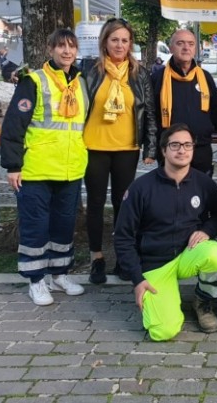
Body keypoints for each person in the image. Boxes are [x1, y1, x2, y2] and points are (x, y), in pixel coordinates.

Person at [0, 29, 89, 307]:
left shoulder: (80, 82)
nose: (66, 51)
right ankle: (36, 280)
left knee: (64, 225)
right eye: (60, 46)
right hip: (36, 169)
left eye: (71, 47)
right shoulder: (33, 81)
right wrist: (13, 166)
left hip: (70, 169)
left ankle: (59, 273)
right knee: (36, 227)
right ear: (50, 49)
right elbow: (14, 124)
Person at [113, 124, 217, 341]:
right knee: (162, 332)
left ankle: (203, 302)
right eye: (175, 145)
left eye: (187, 145)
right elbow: (123, 237)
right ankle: (165, 297)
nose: (181, 150)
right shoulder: (141, 188)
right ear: (164, 151)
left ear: (193, 149)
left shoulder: (203, 183)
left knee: (215, 254)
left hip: (188, 255)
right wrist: (137, 279)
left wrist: (206, 230)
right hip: (156, 263)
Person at [84, 18, 157, 285]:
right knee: (94, 204)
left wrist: (150, 146)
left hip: (127, 148)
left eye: (125, 40)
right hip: (94, 146)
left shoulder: (139, 73)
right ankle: (96, 258)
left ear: (130, 44)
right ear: (105, 41)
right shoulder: (90, 70)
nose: (120, 45)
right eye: (114, 39)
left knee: (122, 205)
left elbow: (149, 111)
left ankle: (122, 259)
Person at [151, 29, 217, 175]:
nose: (186, 48)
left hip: (200, 149)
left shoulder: (205, 77)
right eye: (180, 43)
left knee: (202, 194)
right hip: (171, 150)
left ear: (195, 48)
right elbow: (151, 116)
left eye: (190, 44)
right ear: (171, 48)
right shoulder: (157, 79)